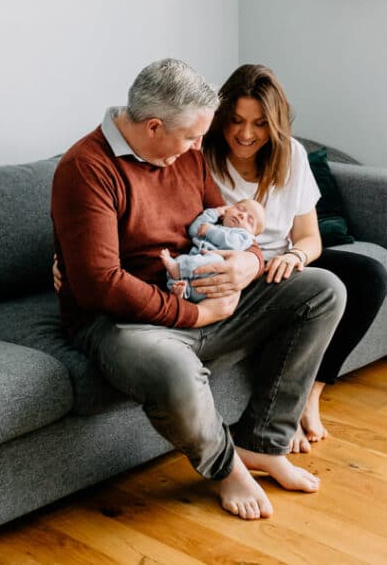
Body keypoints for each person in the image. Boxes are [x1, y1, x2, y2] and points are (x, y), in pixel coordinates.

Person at [50, 58, 346, 520]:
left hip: (200, 292)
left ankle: (261, 442)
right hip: (125, 321)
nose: (197, 147)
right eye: (191, 137)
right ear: (152, 127)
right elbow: (99, 286)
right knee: (170, 364)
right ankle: (227, 470)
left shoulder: (184, 155)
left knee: (322, 290)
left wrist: (249, 262)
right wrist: (196, 316)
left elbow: (226, 223)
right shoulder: (86, 169)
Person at [202, 63, 387, 453]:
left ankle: (313, 391)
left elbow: (309, 237)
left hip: (281, 264)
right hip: (238, 271)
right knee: (312, 296)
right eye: (236, 121)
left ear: (275, 124)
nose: (246, 134)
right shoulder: (202, 157)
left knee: (370, 274)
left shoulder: (291, 156)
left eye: (259, 124)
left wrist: (295, 255)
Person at [160, 199, 266, 301]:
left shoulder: (244, 237)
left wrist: (210, 231)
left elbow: (232, 244)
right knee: (184, 261)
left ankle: (178, 268)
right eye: (240, 209)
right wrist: (215, 212)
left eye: (250, 220)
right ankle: (180, 291)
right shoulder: (215, 224)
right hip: (194, 272)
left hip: (213, 275)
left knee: (214, 260)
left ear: (252, 235)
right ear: (228, 209)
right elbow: (194, 230)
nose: (242, 215)